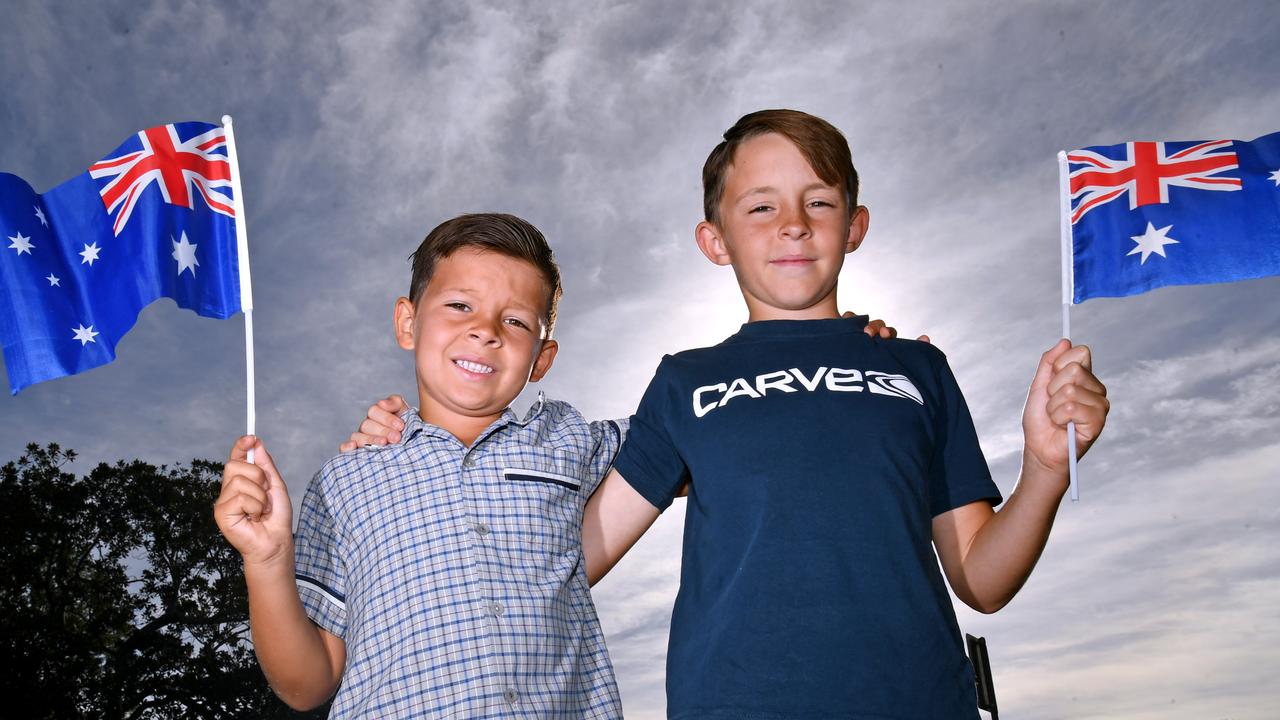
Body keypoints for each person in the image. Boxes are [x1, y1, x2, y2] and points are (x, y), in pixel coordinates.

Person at [348, 109, 1110, 718]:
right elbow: (566, 561)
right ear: (715, 241)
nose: (793, 224)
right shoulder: (686, 383)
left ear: (855, 225)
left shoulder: (914, 367)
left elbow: (982, 579)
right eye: (761, 206)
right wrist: (420, 440)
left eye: (819, 202)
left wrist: (1044, 468)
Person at [215, 214, 625, 717]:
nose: (484, 331)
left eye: (516, 321)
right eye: (459, 305)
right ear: (409, 323)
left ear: (542, 358)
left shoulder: (567, 440)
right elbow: (307, 683)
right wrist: (267, 558)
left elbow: (692, 431)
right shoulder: (345, 481)